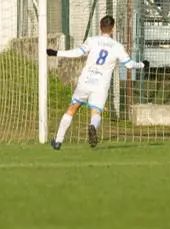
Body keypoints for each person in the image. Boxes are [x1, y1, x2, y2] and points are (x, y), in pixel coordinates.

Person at [46, 15, 148, 149]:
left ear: (100, 27)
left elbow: (77, 52)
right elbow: (129, 65)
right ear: (113, 28)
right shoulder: (117, 47)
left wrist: (56, 53)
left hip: (86, 81)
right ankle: (93, 126)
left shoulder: (92, 41)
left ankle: (58, 141)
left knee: (72, 109)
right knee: (96, 112)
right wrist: (142, 65)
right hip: (101, 85)